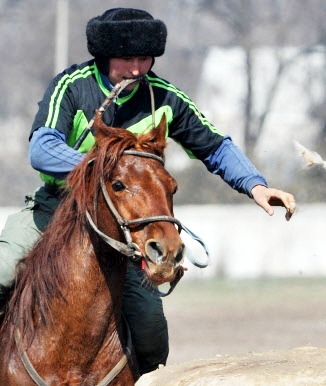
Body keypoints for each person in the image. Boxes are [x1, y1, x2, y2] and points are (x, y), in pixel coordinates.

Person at [0, 7, 296, 376]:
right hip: (57, 208)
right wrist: (99, 167)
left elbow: (215, 146)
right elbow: (41, 148)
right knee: (0, 272)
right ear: (105, 56)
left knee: (150, 327)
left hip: (124, 227)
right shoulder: (72, 85)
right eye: (127, 59)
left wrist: (256, 185)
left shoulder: (165, 97)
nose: (137, 70)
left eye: (144, 59)